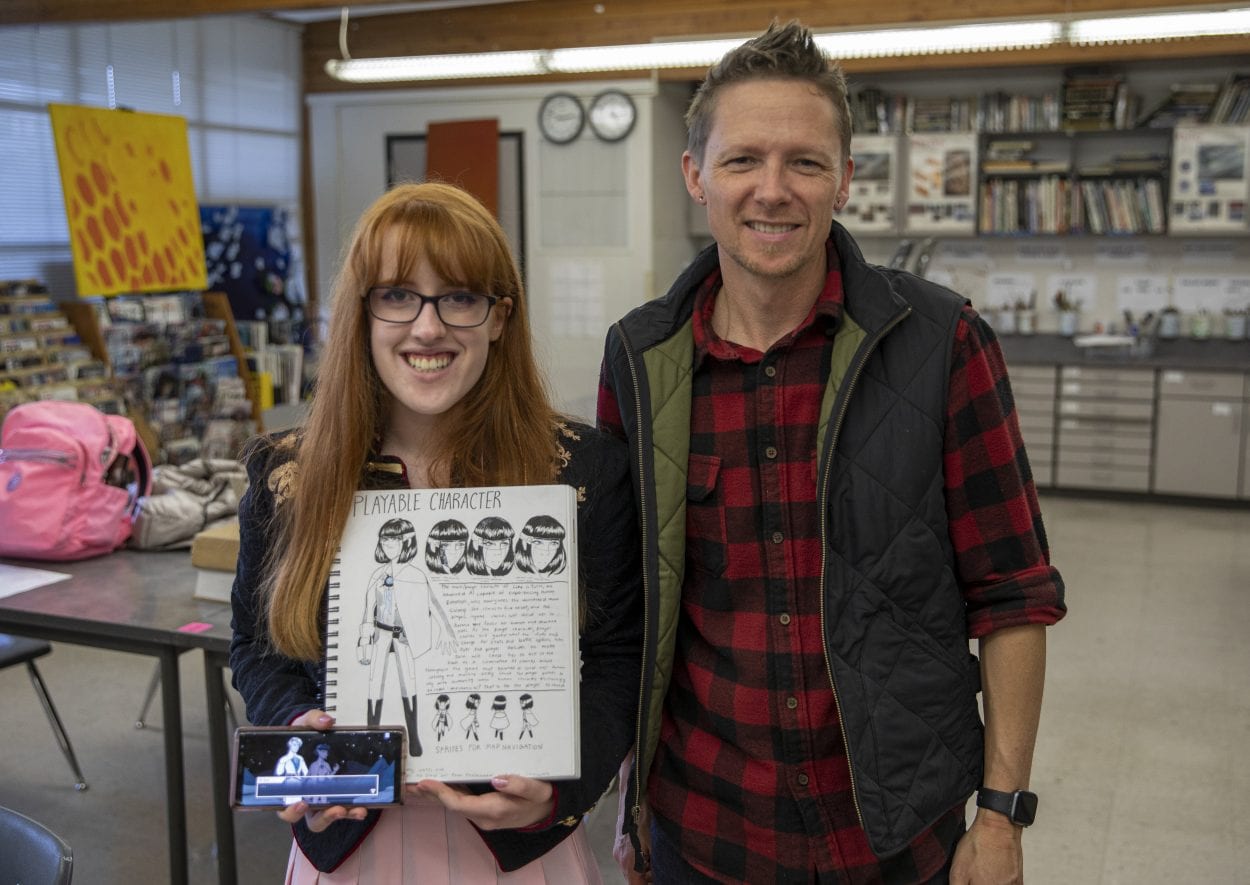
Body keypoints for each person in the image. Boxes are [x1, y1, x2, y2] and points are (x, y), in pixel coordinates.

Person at [597, 20, 1067, 884]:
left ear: (845, 180)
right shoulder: (640, 359)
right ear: (696, 174)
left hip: (893, 839)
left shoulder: (942, 344)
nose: (772, 190)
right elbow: (634, 613)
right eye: (743, 160)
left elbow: (1014, 594)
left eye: (805, 162)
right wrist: (631, 800)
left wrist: (1001, 817)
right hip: (704, 832)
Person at [230, 181, 643, 881]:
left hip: (516, 852)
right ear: (360, 315)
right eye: (397, 295)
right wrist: (297, 729)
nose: (428, 328)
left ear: (499, 317)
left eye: (458, 296)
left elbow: (620, 655)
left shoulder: (580, 472)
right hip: (349, 842)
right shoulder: (287, 475)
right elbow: (257, 645)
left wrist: (559, 793)